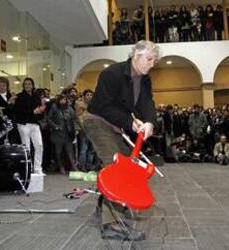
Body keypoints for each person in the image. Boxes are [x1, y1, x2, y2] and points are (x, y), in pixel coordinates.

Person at [83, 40, 159, 241]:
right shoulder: (112, 74)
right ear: (136, 55)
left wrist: (149, 122)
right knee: (115, 165)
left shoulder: (144, 80)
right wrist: (129, 122)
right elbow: (103, 106)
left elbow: (147, 103)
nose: (152, 64)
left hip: (116, 125)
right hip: (97, 121)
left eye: (154, 60)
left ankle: (112, 207)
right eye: (149, 59)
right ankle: (111, 223)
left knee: (129, 165)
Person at [13, 77, 46, 175]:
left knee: (39, 145)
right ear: (23, 86)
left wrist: (40, 111)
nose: (28, 86)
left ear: (32, 85)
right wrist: (33, 111)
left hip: (34, 124)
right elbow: (18, 111)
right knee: (26, 147)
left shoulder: (36, 97)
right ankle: (27, 168)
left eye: (29, 84)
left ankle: (38, 168)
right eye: (26, 84)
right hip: (24, 124)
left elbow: (41, 113)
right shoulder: (19, 96)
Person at [47, 94, 80, 174]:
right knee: (59, 151)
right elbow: (49, 119)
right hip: (57, 133)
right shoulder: (54, 107)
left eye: (64, 100)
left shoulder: (70, 109)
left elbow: (75, 119)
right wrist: (55, 126)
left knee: (70, 151)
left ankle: (73, 166)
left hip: (68, 133)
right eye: (61, 100)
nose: (63, 101)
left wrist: (76, 129)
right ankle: (61, 167)